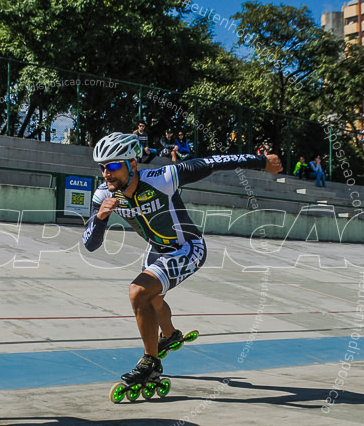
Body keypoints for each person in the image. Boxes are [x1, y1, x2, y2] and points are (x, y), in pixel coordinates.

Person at [82, 132, 282, 387]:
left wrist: (261, 162)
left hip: (187, 247)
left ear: (132, 164)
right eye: (102, 167)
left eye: (112, 166)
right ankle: (169, 334)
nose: (106, 174)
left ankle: (150, 362)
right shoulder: (104, 196)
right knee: (153, 300)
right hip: (157, 248)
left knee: (138, 292)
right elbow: (90, 245)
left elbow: (213, 163)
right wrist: (100, 218)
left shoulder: (163, 178)